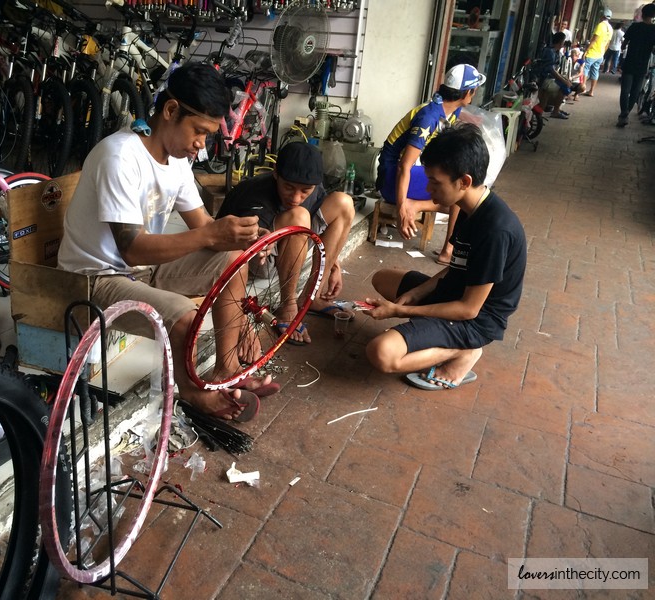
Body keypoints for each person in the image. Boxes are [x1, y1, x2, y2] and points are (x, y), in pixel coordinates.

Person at [57, 62, 278, 423]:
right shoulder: (120, 157)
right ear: (171, 110)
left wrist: (247, 238)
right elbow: (131, 248)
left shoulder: (176, 162)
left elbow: (204, 225)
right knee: (186, 320)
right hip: (94, 277)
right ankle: (188, 393)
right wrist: (211, 234)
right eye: (199, 132)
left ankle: (227, 368)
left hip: (141, 270)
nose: (200, 144)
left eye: (207, 135)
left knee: (234, 258)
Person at [363, 123, 527, 390]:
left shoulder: (496, 230)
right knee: (383, 278)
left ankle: (462, 351)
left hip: (476, 320)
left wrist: (400, 311)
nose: (429, 190)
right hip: (456, 293)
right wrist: (417, 293)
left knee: (381, 352)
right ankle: (433, 327)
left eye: (435, 182)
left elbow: (468, 309)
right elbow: (455, 267)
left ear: (464, 182)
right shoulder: (468, 206)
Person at [215, 142, 355, 345]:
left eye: (305, 190)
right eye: (288, 187)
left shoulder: (312, 184)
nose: (296, 197)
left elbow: (324, 224)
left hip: (286, 246)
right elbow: (238, 244)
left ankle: (312, 297)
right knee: (299, 215)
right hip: (252, 259)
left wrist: (333, 264)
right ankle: (287, 305)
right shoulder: (253, 194)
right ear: (275, 174)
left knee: (344, 203)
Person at [376, 64, 486, 267]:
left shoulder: (446, 106)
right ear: (467, 92)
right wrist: (401, 210)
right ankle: (448, 250)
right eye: (474, 89)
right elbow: (404, 166)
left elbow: (460, 114)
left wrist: (475, 121)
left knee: (459, 185)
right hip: (392, 178)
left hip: (402, 174)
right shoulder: (428, 119)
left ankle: (417, 204)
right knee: (460, 187)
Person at [617, 3, 655, 127]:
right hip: (642, 64)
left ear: (642, 14)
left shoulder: (634, 27)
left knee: (625, 90)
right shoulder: (654, 30)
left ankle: (623, 113)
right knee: (635, 91)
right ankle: (626, 113)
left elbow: (624, 44)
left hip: (630, 62)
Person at [537, 32, 573, 118]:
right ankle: (555, 111)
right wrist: (564, 80)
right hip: (544, 78)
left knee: (565, 84)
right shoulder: (550, 52)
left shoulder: (556, 52)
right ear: (560, 42)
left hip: (549, 77)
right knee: (564, 88)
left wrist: (565, 79)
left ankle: (554, 109)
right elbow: (551, 70)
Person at [582, 8, 614, 96]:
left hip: (592, 52)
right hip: (600, 54)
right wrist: (603, 52)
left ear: (602, 16)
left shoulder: (601, 25)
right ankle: (591, 91)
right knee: (595, 71)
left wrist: (586, 50)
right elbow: (607, 43)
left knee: (585, 69)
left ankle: (583, 88)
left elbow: (594, 40)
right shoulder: (610, 28)